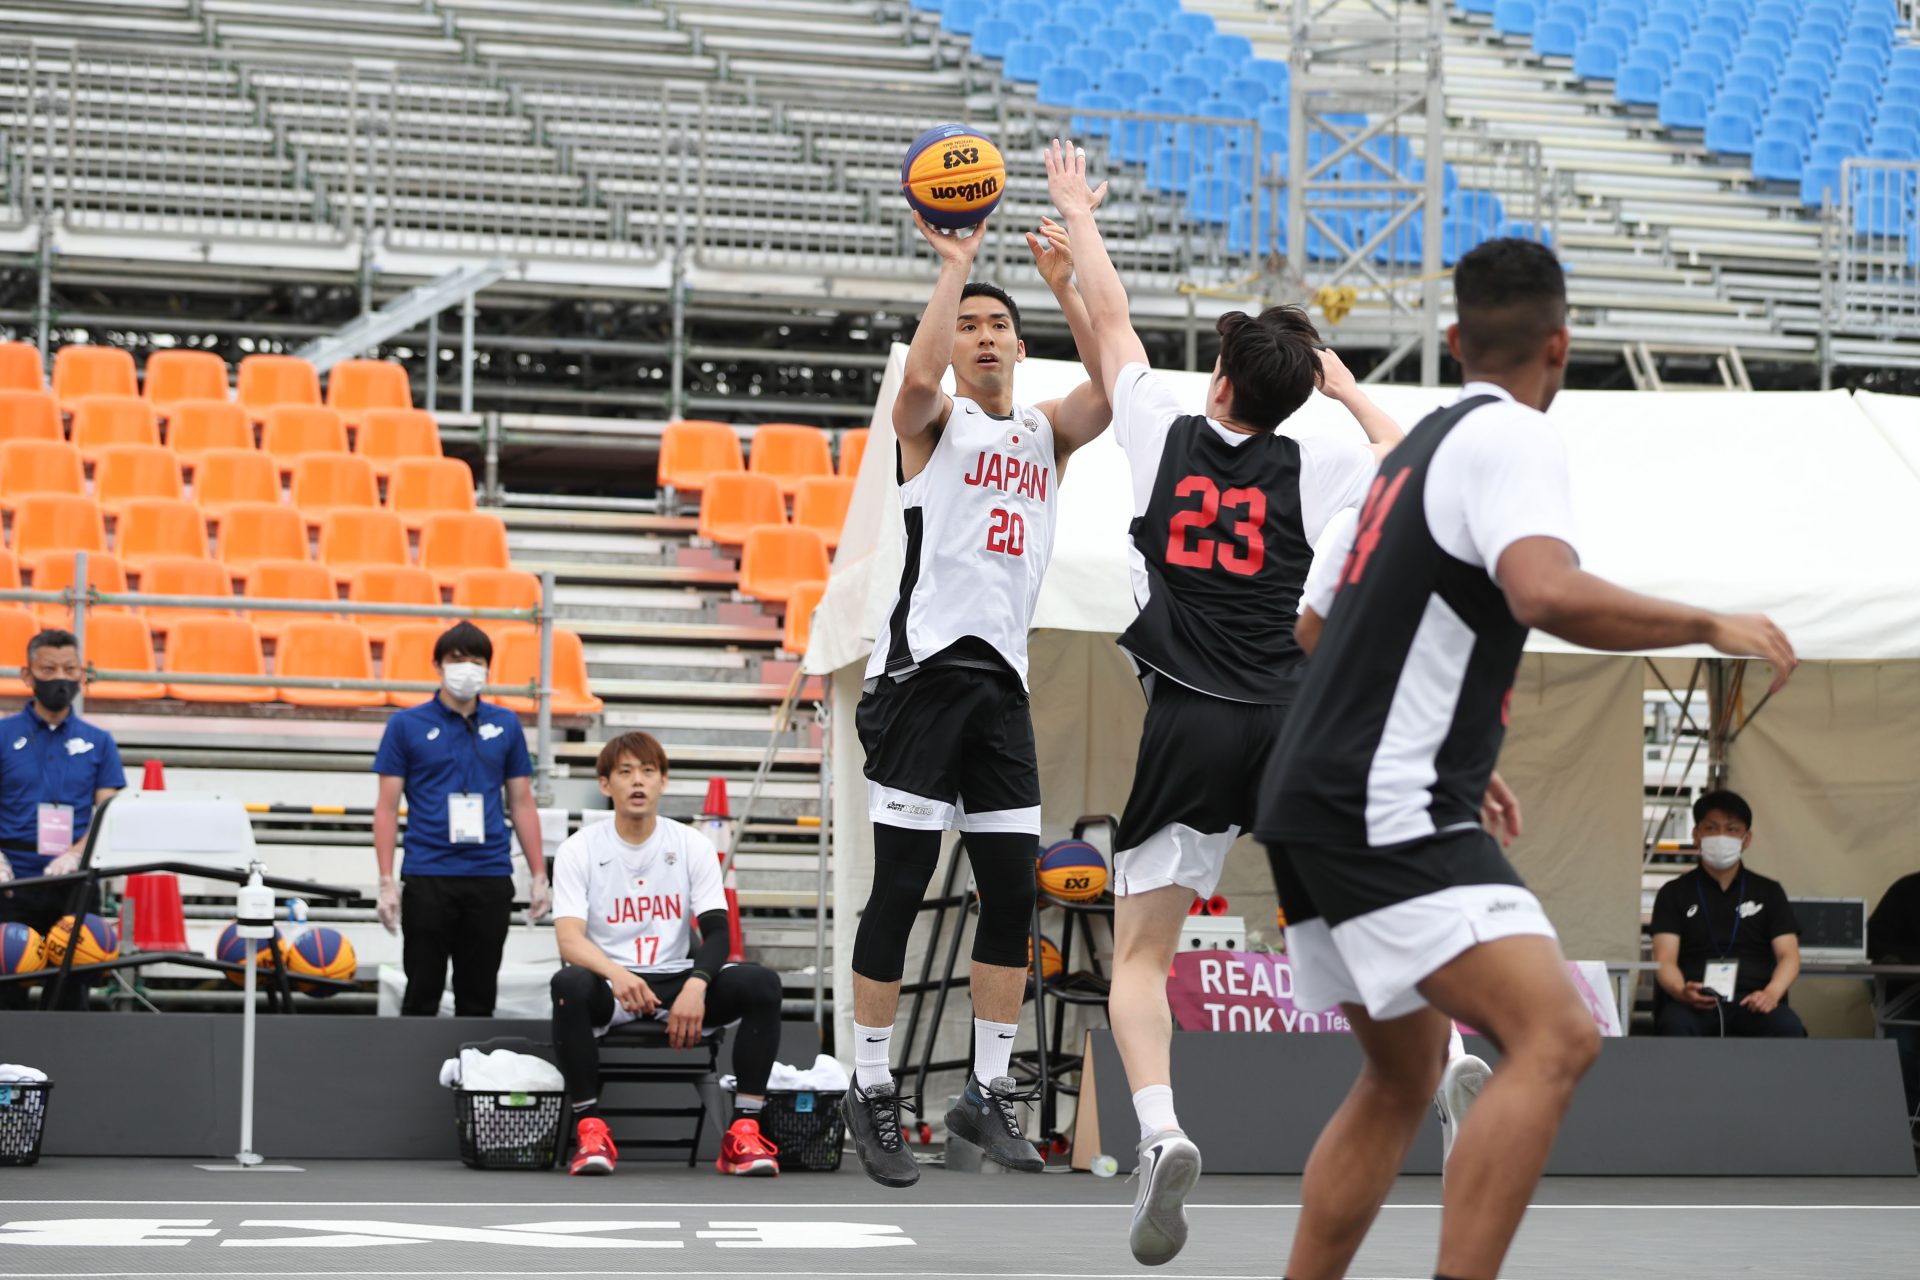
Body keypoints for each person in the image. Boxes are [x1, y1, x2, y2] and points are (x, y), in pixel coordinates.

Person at [1254, 237, 1796, 1280]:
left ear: (1455, 340)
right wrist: (1707, 620)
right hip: (1381, 795)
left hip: (1311, 788)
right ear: (1562, 343)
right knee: (1556, 1032)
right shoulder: (1515, 437)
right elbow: (1543, 589)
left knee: (1403, 1074)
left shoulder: (1408, 450)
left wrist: (1444, 730)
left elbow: (1320, 626)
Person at [1039, 139, 1407, 1264]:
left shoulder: (1162, 427)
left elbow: (1111, 324)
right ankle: (1435, 1058)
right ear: (1301, 398)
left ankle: (1158, 1135)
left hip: (1192, 712)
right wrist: (1349, 392)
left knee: (1141, 955)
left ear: (1219, 382)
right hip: (1292, 719)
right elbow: (1408, 463)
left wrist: (1079, 216)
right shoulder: (1322, 465)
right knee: (1355, 921)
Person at [843, 191, 1114, 1188]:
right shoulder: (933, 419)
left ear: (1018, 344)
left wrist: (1067, 287)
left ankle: (984, 1091)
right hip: (919, 682)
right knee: (903, 891)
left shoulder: (1044, 433)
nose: (983, 336)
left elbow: (1115, 389)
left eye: (999, 323)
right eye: (969, 326)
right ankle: (872, 1089)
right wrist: (953, 267)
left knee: (1011, 892)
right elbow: (912, 377)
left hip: (1001, 686)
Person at [549, 731, 786, 1177]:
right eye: (625, 772)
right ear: (606, 785)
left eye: (648, 771)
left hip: (677, 979)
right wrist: (617, 974)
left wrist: (697, 985)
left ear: (663, 782)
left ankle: (744, 1132)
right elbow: (569, 941)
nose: (637, 781)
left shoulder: (691, 843)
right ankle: (590, 1128)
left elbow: (717, 932)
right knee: (569, 983)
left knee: (761, 983)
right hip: (611, 985)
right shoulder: (578, 848)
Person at [372, 621, 550, 1017]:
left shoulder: (505, 724)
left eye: (476, 659)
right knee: (421, 991)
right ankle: (415, 1075)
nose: (467, 667)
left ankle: (476, 1075)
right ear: (437, 664)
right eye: (457, 658)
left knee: (479, 995)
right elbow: (386, 805)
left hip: (488, 874)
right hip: (428, 872)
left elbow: (521, 802)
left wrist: (539, 874)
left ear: (488, 667)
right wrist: (386, 881)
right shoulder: (406, 725)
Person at [0, 629, 126, 1011]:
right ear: (28, 675)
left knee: (72, 988)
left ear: (82, 674)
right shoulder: (3, 735)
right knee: (7, 986)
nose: (60, 678)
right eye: (49, 668)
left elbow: (111, 812)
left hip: (74, 881)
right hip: (11, 881)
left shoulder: (99, 741)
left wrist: (75, 854)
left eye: (70, 669)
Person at [1650, 790, 1805, 1038]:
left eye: (1732, 829)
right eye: (1711, 828)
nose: (1721, 836)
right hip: (1695, 1001)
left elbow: (1789, 955)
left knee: (1788, 1027)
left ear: (1747, 838)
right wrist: (1681, 991)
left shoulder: (1769, 892)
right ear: (1696, 835)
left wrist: (1771, 994)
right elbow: (1664, 958)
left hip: (1753, 1000)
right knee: (1674, 1026)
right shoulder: (1673, 893)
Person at [1867, 868, 1920, 1121]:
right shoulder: (1907, 890)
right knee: (1900, 1048)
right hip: (1908, 1000)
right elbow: (1873, 943)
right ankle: (1904, 1130)